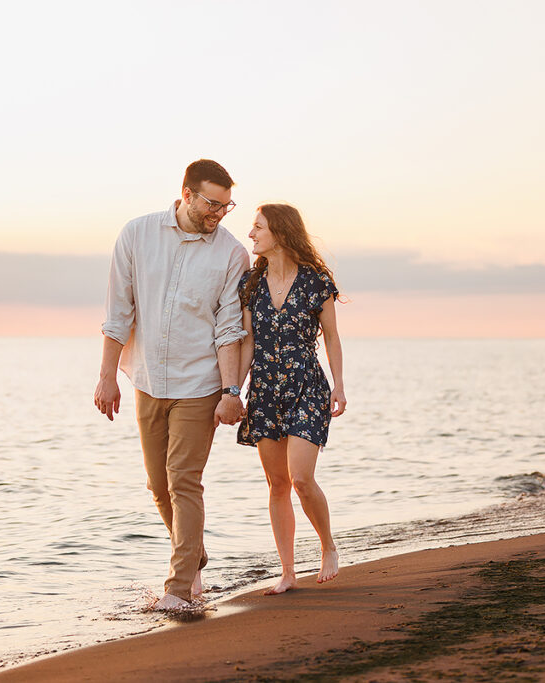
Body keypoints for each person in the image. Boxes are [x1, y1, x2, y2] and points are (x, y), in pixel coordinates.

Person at [94, 159, 250, 610]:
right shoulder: (137, 235)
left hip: (199, 383)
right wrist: (107, 376)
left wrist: (229, 391)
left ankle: (179, 589)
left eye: (226, 206)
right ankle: (194, 552)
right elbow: (118, 313)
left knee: (184, 481)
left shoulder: (231, 254)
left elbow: (228, 330)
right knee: (158, 486)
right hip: (146, 379)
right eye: (211, 204)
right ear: (186, 194)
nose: (219, 214)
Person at [235, 203, 346, 595]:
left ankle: (328, 546)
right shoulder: (251, 283)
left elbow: (331, 336)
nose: (251, 234)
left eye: (257, 227)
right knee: (277, 484)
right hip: (265, 390)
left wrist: (339, 385)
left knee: (300, 477)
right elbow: (247, 342)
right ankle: (287, 571)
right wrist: (233, 390)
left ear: (279, 233)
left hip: (306, 387)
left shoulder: (316, 280)